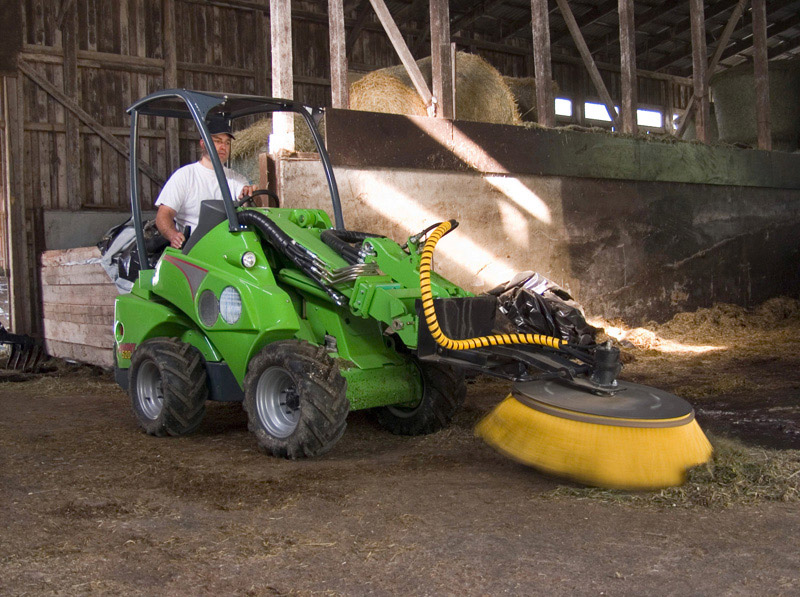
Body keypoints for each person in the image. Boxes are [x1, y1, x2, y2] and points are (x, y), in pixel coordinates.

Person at [155, 120, 257, 249]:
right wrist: (173, 235)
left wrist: (249, 196)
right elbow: (163, 215)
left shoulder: (237, 179)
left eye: (227, 143)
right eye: (218, 141)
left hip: (229, 246)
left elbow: (248, 207)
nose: (223, 147)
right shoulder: (185, 176)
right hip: (194, 247)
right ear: (203, 144)